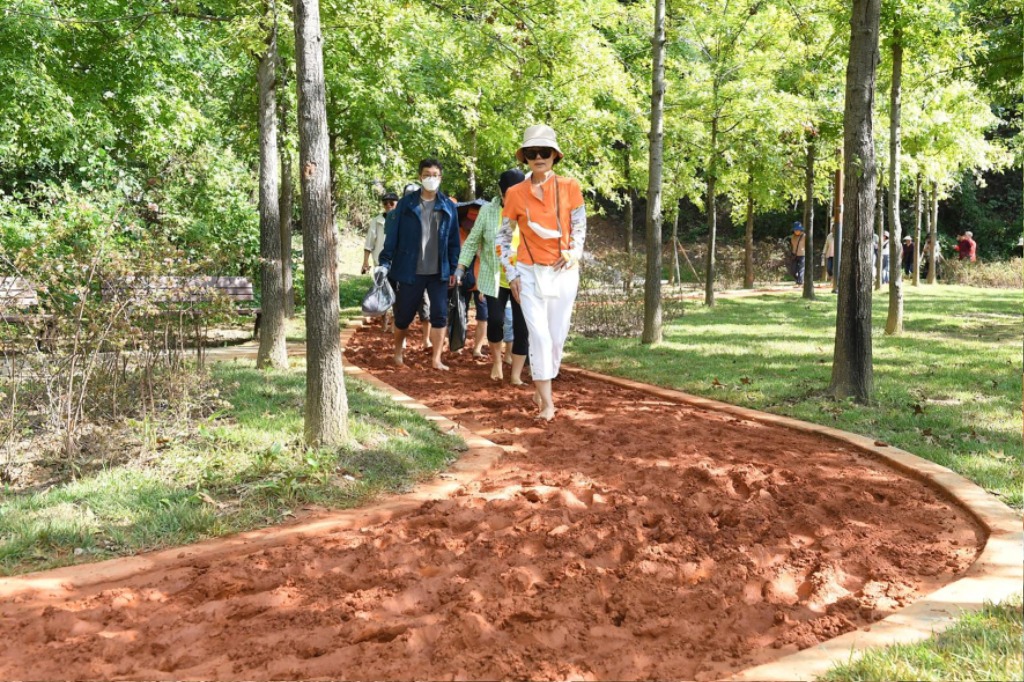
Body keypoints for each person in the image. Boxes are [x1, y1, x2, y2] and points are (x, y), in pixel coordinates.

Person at [497, 125, 586, 421]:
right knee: (539, 336)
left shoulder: (571, 187)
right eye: (532, 152)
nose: (538, 157)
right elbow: (502, 237)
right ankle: (547, 403)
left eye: (544, 152)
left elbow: (580, 226)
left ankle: (542, 382)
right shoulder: (514, 193)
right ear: (525, 157)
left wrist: (573, 253)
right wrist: (512, 274)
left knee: (557, 336)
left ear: (554, 156)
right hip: (528, 272)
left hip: (563, 271)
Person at [377, 159, 460, 370]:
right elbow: (392, 236)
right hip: (409, 270)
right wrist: (384, 263)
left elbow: (453, 241)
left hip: (438, 272)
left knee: (440, 315)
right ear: (420, 176)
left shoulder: (449, 206)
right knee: (403, 315)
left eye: (435, 174)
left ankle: (436, 359)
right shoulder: (406, 205)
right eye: (427, 174)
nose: (431, 178)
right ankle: (397, 354)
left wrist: (453, 268)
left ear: (440, 177)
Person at [456, 169, 529, 384]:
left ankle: (515, 375)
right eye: (509, 194)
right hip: (494, 277)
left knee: (522, 327)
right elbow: (472, 241)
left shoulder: (529, 209)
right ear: (501, 191)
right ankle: (497, 360)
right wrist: (461, 267)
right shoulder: (488, 211)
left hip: (523, 279)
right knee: (495, 321)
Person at [361, 192, 399, 275]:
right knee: (380, 286)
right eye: (385, 203)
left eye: (391, 203)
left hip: (398, 263)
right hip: (380, 263)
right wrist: (365, 262)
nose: (388, 205)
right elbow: (369, 243)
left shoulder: (403, 219)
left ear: (398, 203)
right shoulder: (377, 220)